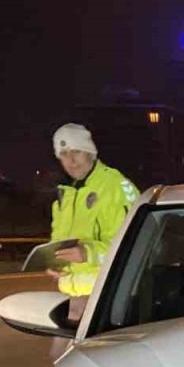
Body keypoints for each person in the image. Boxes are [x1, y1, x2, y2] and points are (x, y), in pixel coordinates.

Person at [48, 123, 139, 330]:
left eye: (76, 152)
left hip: (109, 297)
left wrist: (88, 253)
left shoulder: (115, 186)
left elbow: (133, 247)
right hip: (75, 296)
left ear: (90, 152)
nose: (71, 160)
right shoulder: (67, 194)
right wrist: (55, 262)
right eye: (63, 154)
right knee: (61, 358)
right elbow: (61, 243)